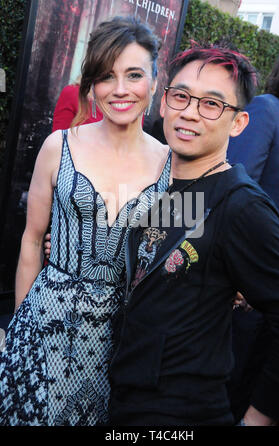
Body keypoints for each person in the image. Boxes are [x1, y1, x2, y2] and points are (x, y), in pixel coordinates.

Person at [108, 43, 279, 426]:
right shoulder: (162, 187)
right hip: (123, 401)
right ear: (163, 103)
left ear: (238, 123)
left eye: (212, 104)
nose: (190, 113)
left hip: (182, 413)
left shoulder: (242, 206)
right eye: (181, 96)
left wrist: (258, 420)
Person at [0, 16, 171, 426]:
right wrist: (23, 333)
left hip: (121, 343)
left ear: (154, 79)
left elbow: (171, 252)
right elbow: (31, 241)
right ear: (92, 84)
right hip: (42, 328)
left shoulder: (171, 165)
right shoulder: (58, 147)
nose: (121, 90)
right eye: (106, 76)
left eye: (134, 75)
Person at [226, 37, 279, 423]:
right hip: (250, 289)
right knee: (233, 391)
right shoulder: (268, 109)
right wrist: (239, 270)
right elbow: (238, 185)